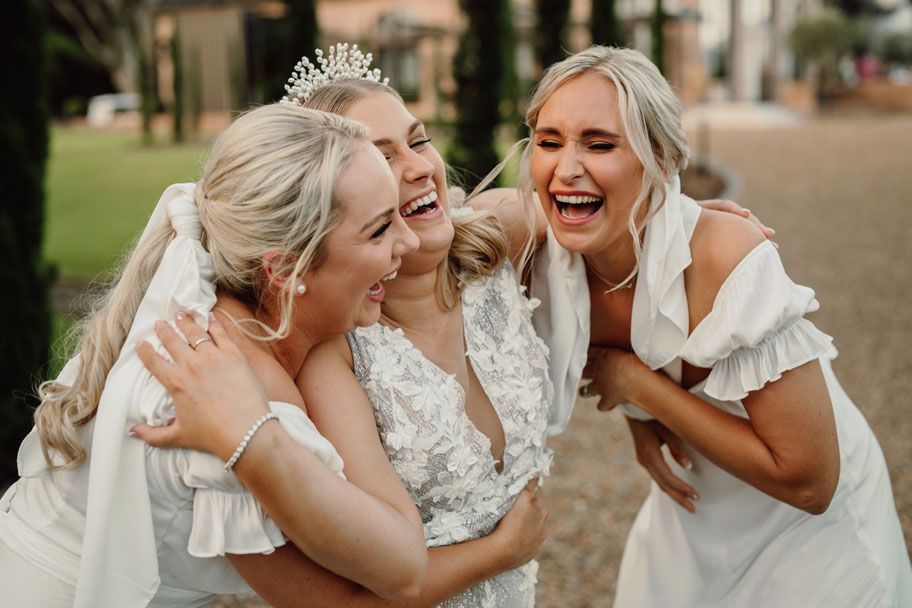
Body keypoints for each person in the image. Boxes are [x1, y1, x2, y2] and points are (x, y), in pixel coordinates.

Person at [131, 43, 774, 608]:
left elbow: (601, 219)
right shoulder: (330, 352)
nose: (419, 167)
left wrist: (683, 221)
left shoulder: (499, 237)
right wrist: (503, 550)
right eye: (380, 158)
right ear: (328, 203)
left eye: (418, 139)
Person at [520, 45, 912, 607]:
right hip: (696, 504)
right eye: (549, 142)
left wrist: (639, 387)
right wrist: (638, 418)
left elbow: (810, 481)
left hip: (806, 534)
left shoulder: (725, 257)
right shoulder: (548, 263)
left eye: (600, 143)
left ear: (659, 158)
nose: (565, 168)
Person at [0, 103, 430, 608]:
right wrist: (255, 438)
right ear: (287, 270)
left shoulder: (217, 307)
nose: (409, 240)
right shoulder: (213, 390)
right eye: (380, 230)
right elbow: (399, 575)